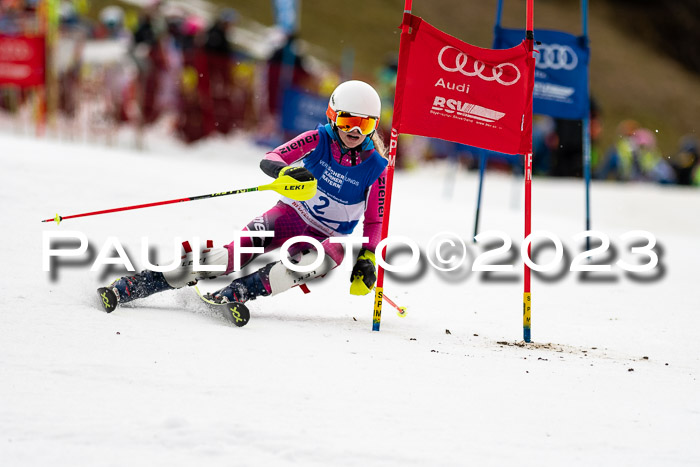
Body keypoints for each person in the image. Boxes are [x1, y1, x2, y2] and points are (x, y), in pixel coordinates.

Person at [98, 80, 388, 316]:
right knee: (230, 255)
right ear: (333, 116)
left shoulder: (377, 168)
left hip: (327, 236)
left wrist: (368, 255)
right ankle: (141, 283)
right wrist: (285, 172)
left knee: (326, 256)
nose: (354, 131)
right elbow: (272, 158)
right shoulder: (319, 138)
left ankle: (241, 291)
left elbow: (375, 220)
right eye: (348, 120)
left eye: (364, 125)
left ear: (374, 126)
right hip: (290, 216)